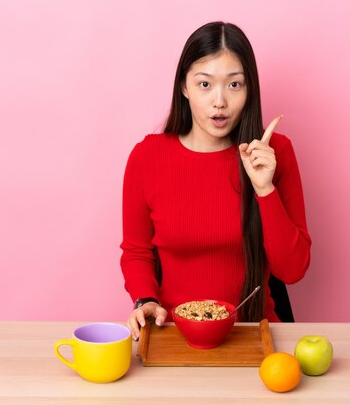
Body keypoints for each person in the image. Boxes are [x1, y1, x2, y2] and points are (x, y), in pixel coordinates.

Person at [120, 21, 311, 341]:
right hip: (173, 334)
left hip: (253, 336)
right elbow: (137, 251)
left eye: (234, 85)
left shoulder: (275, 153)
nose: (219, 101)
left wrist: (265, 189)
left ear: (250, 89)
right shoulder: (146, 157)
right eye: (205, 84)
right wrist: (146, 299)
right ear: (184, 86)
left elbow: (292, 270)